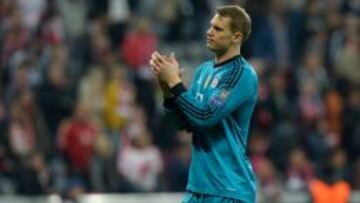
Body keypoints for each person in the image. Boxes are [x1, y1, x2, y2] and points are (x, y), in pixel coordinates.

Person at [150, 5, 258, 203]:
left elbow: (205, 117)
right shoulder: (203, 71)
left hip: (228, 189)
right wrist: (168, 90)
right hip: (198, 187)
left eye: (218, 29)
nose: (209, 32)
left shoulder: (241, 74)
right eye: (211, 26)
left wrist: (176, 82)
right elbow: (188, 122)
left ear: (236, 37)